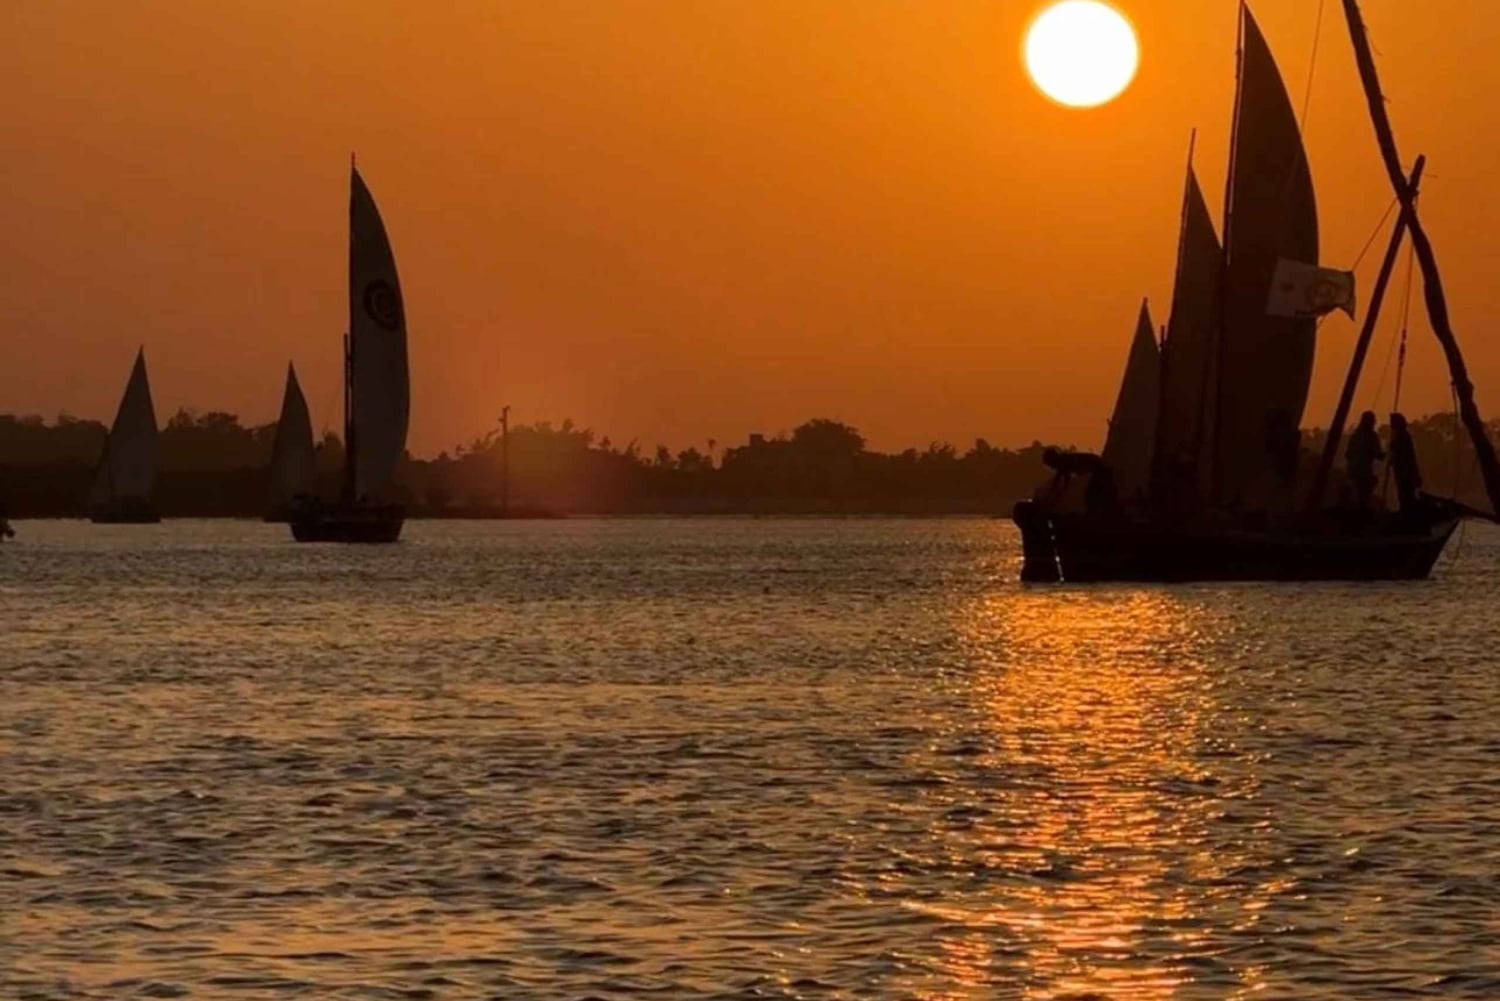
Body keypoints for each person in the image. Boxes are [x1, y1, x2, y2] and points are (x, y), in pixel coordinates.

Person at [1346, 410, 1384, 512]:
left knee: (1360, 497)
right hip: (1362, 473)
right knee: (1363, 497)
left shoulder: (1356, 435)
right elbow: (1378, 454)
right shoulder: (1370, 436)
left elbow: (1348, 454)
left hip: (1356, 472)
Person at [1388, 412, 1424, 515]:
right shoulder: (1399, 435)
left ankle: (1408, 512)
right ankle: (1406, 511)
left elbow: (1406, 456)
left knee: (1406, 493)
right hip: (1401, 472)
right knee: (1403, 493)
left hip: (1405, 472)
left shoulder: (1403, 436)